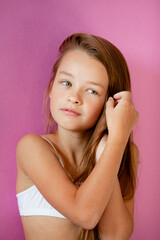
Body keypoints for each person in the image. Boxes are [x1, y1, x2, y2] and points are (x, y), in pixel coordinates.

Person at [16, 32, 139, 240]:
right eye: (66, 83)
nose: (74, 97)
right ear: (50, 88)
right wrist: (119, 138)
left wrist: (108, 148)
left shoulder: (123, 151)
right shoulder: (32, 148)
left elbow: (115, 236)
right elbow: (85, 215)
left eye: (91, 91)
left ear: (111, 103)